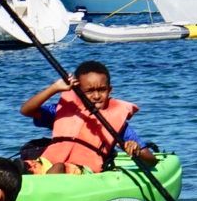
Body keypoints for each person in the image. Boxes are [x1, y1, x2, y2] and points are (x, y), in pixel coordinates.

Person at [18, 60, 156, 173]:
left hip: (83, 170)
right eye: (89, 91)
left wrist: (135, 149)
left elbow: (151, 160)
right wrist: (54, 88)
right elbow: (26, 110)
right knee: (16, 167)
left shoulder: (118, 124)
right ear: (78, 92)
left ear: (110, 90)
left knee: (58, 167)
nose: (96, 96)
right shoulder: (62, 110)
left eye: (102, 90)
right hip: (48, 162)